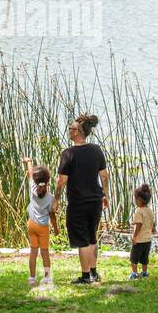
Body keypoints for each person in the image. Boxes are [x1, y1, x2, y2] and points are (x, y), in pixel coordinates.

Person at [54, 113, 108, 285]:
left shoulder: (68, 154)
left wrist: (55, 199)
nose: (69, 130)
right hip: (95, 200)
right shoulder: (96, 150)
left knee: (82, 240)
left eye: (71, 128)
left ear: (77, 132)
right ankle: (94, 272)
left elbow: (62, 181)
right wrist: (105, 195)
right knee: (92, 237)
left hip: (78, 202)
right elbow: (104, 176)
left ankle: (85, 277)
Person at [20, 156, 58, 288]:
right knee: (45, 253)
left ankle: (32, 278)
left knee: (33, 252)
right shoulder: (50, 198)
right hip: (43, 228)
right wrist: (56, 229)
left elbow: (30, 174)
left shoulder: (32, 188)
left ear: (36, 181)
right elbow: (52, 215)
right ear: (48, 182)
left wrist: (28, 162)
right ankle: (47, 277)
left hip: (31, 225)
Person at [129, 183, 155, 280]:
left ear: (139, 200)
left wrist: (134, 236)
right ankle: (144, 272)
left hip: (140, 239)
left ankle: (134, 273)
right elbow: (153, 221)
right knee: (144, 258)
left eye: (135, 199)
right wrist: (153, 229)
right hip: (148, 239)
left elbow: (138, 225)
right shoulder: (149, 210)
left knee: (134, 257)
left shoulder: (139, 211)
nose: (135, 201)